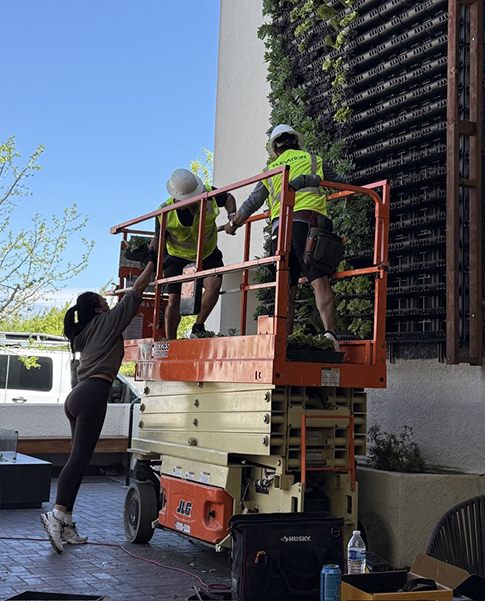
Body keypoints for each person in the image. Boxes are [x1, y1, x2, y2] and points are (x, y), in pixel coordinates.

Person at [40, 256, 156, 554]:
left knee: (79, 461)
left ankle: (65, 522)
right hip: (93, 394)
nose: (108, 302)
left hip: (78, 395)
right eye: (104, 301)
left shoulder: (84, 333)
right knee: (78, 460)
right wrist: (152, 263)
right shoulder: (107, 322)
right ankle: (55, 516)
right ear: (98, 309)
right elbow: (136, 291)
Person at [225, 124, 344, 347]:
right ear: (297, 143)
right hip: (309, 225)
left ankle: (283, 338)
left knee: (286, 286)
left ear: (275, 151)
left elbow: (253, 202)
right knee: (319, 281)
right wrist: (351, 194)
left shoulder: (270, 170)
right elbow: (339, 181)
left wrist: (233, 224)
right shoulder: (312, 159)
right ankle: (330, 334)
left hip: (281, 231)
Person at [150, 168, 236, 340]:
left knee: (214, 284)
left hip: (207, 252)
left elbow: (228, 198)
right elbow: (158, 241)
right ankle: (170, 340)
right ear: (177, 197)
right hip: (177, 257)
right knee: (174, 299)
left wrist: (232, 217)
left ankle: (198, 326)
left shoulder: (208, 194)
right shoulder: (165, 212)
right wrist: (152, 260)